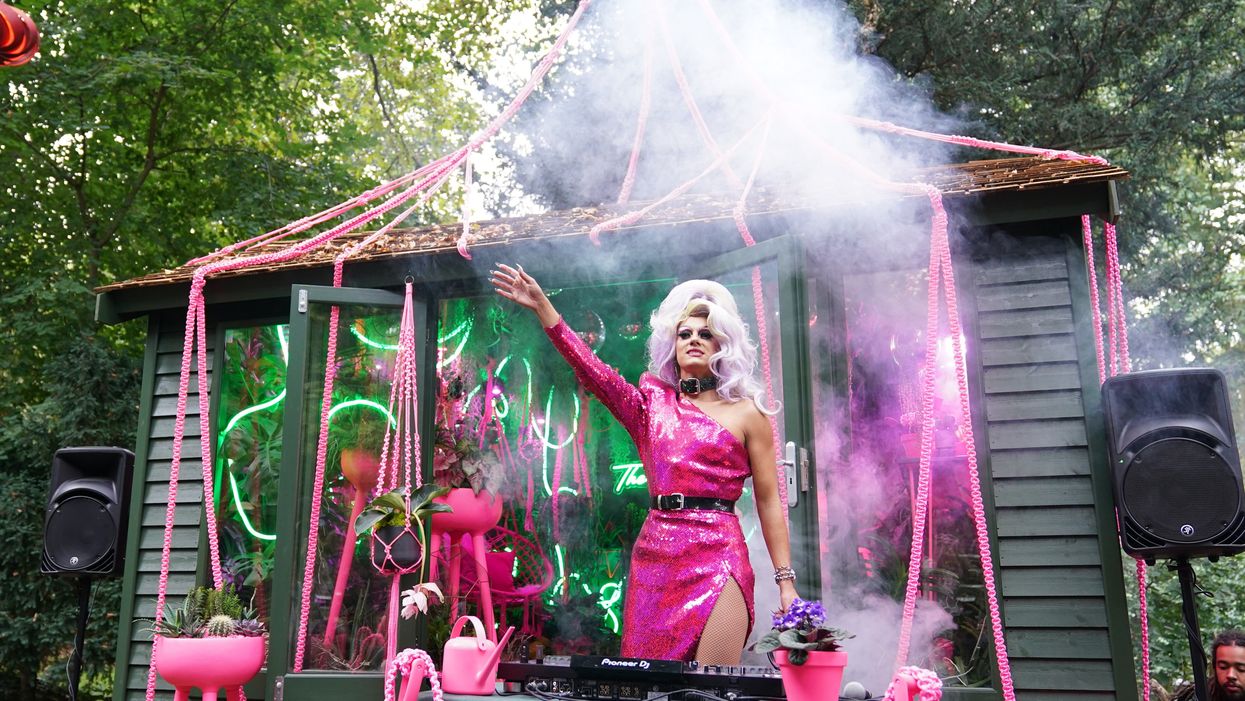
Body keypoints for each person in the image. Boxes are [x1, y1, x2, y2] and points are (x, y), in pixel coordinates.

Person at [491, 264, 799, 665]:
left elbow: (769, 500)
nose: (694, 339)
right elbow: (593, 372)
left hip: (720, 555)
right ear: (672, 344)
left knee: (712, 683)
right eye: (684, 334)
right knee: (648, 682)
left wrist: (785, 582)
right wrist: (545, 311)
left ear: (722, 344)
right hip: (657, 557)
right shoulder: (651, 407)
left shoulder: (748, 413)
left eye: (705, 333)